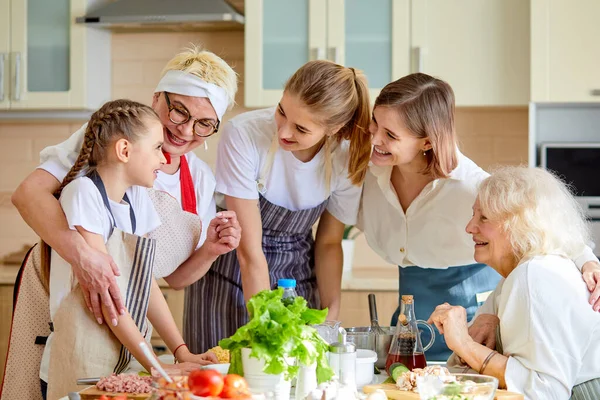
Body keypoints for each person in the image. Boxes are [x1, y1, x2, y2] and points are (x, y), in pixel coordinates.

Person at [357, 73, 600, 360]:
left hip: (475, 318)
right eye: (375, 124)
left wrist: (589, 263)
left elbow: (549, 233)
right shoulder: (370, 176)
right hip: (412, 314)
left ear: (426, 142)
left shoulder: (473, 187)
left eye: (390, 135)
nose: (374, 139)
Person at [10, 46, 242, 327]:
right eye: (180, 111)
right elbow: (28, 194)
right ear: (157, 97)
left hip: (125, 311)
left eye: (204, 123)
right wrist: (84, 258)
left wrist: (211, 250)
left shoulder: (200, 180)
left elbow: (174, 279)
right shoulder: (109, 137)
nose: (186, 130)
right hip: (57, 298)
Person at [32, 100, 217, 399]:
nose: (163, 157)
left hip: (122, 360)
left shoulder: (137, 199)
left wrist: (181, 351)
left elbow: (145, 285)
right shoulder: (83, 194)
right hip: (78, 364)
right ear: (125, 151)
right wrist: (156, 366)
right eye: (157, 148)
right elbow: (109, 300)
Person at [185, 60, 372, 352]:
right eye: (281, 111)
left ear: (335, 128)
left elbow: (329, 243)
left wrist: (330, 315)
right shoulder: (244, 134)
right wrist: (265, 328)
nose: (283, 131)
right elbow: (249, 252)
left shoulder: (347, 157)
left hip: (298, 276)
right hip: (231, 272)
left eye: (300, 128)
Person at [429, 166, 600, 400]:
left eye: (484, 217)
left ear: (519, 225)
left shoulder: (535, 275)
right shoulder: (529, 271)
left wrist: (464, 345)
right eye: (473, 215)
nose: (470, 227)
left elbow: (546, 391)